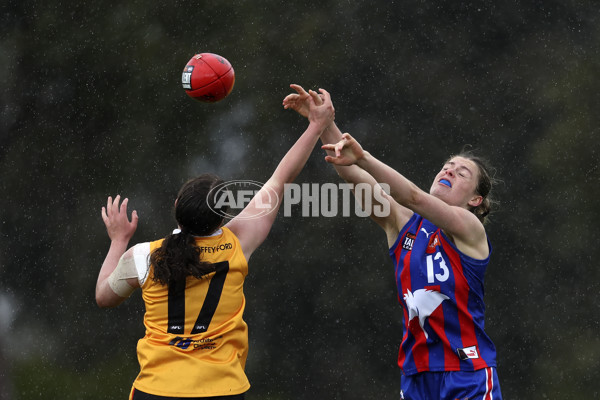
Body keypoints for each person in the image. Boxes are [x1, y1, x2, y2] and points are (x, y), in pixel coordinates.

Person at [95, 88, 334, 400]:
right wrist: (316, 126)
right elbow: (280, 179)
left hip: (156, 390)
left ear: (177, 204)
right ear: (223, 218)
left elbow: (103, 297)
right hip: (222, 390)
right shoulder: (238, 243)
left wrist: (118, 240)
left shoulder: (143, 256)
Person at [283, 85, 502, 400]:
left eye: (462, 173)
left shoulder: (469, 229)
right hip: (416, 376)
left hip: (467, 375)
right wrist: (323, 123)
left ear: (476, 199)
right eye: (447, 166)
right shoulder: (404, 224)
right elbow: (352, 170)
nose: (450, 170)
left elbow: (413, 196)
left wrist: (365, 157)